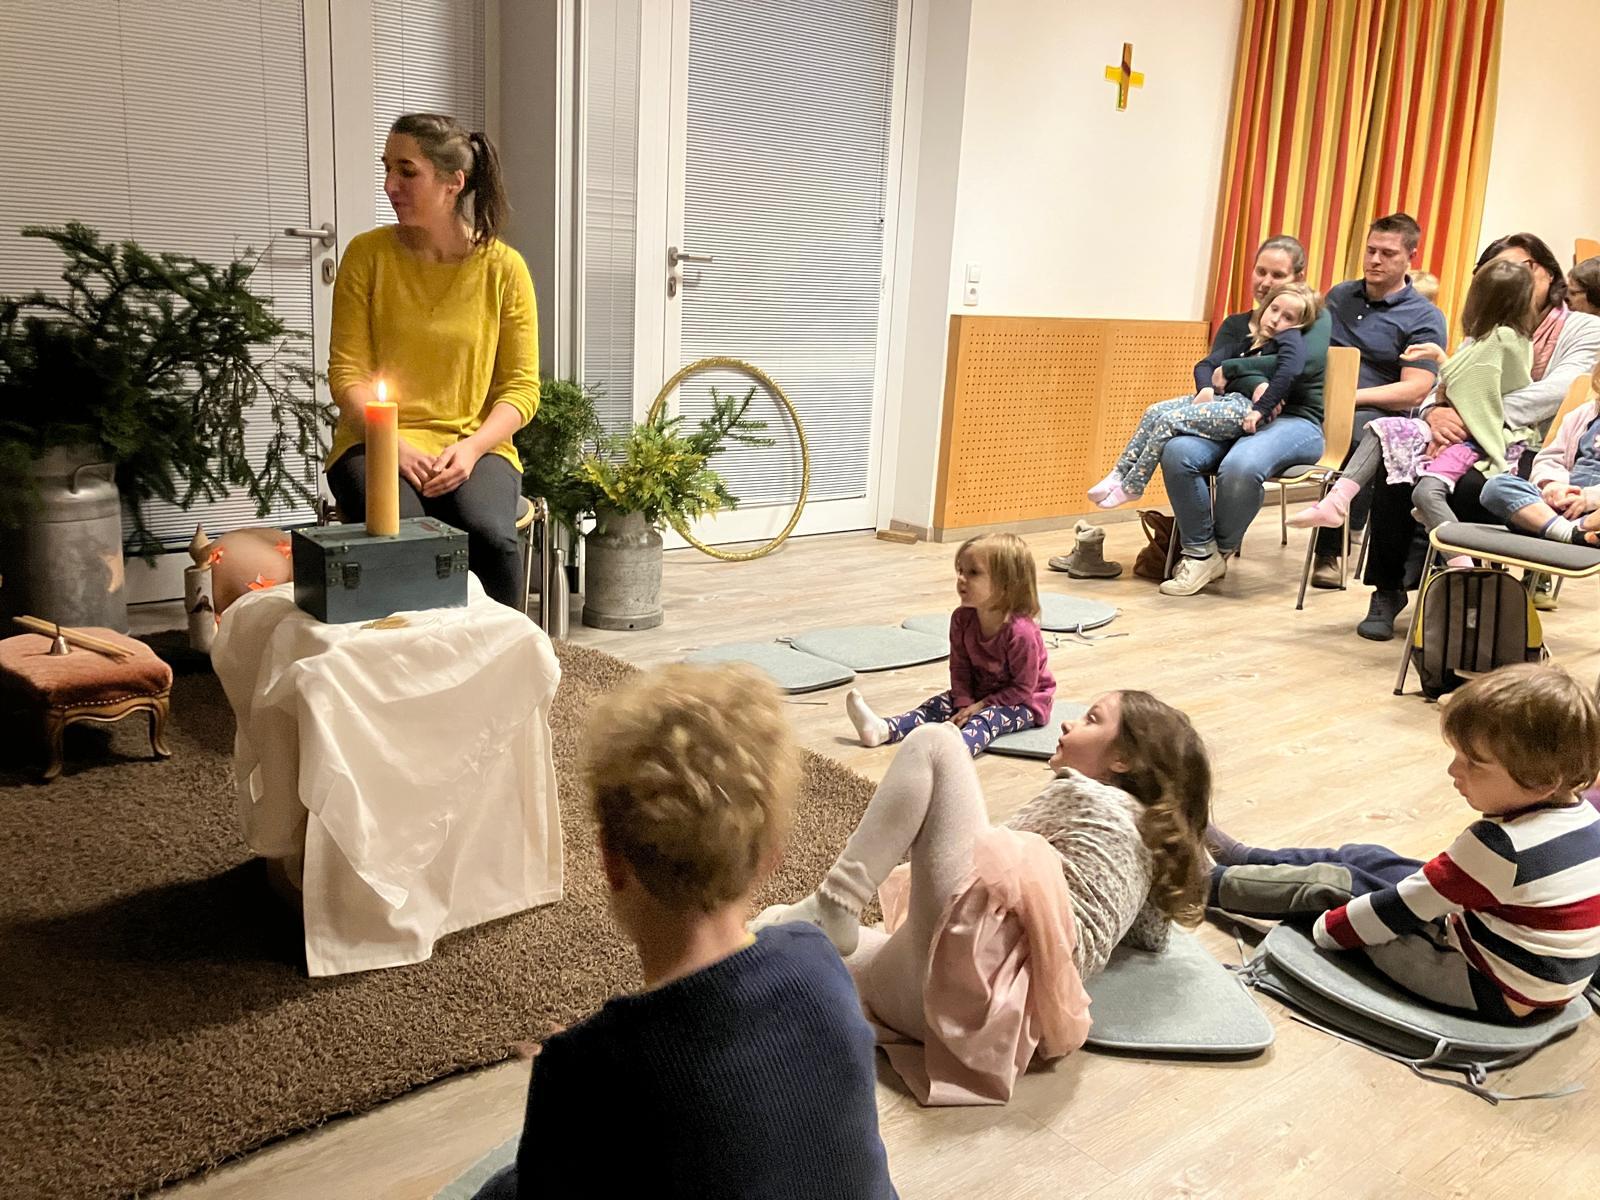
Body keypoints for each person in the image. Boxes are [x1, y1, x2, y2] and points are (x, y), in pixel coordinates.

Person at [473, 663, 897, 1199]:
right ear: (770, 858)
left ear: (609, 860)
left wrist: (579, 1063)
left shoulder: (583, 1070)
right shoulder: (819, 962)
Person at [758, 690, 1211, 1104]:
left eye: (1092, 719)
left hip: (967, 973)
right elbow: (1152, 937)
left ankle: (837, 899)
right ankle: (805, 928)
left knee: (936, 743)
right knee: (797, 937)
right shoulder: (1150, 846)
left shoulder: (1082, 793)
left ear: (1124, 760)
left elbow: (987, 855)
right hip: (985, 1030)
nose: (1069, 723)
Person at [1208, 664, 1600, 1023]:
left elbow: (1401, 908)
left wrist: (1329, 930)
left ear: (1543, 781)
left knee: (1334, 885)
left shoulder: (1499, 846)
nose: (1453, 770)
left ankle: (1202, 884)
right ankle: (1247, 858)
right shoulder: (1585, 818)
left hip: (1483, 984)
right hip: (1527, 975)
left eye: (1473, 763)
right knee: (1371, 859)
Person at [326, 112, 539, 611]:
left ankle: (500, 653)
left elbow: (521, 389)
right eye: (387, 168)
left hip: (474, 446)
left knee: (489, 535)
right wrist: (393, 447)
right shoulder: (367, 255)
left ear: (453, 183)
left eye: (407, 171)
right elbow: (347, 373)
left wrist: (471, 449)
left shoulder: (504, 269)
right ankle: (405, 654)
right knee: (402, 538)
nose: (390, 185)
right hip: (372, 443)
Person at [1354, 233, 1600, 640]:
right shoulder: (1493, 319)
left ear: (1547, 270)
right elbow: (1453, 377)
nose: (1513, 277)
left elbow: (1558, 391)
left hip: (1529, 448)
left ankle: (1459, 586)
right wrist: (1435, 412)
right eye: (1498, 270)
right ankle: (1388, 589)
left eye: (1521, 267)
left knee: (1469, 486)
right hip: (1466, 439)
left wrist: (1472, 418)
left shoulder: (1585, 326)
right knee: (1398, 465)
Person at [1289, 260, 1535, 540]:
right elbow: (1461, 382)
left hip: (1476, 436)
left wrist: (1447, 423)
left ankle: (1458, 555)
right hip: (1466, 427)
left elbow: (1474, 391)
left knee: (1425, 493)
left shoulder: (1500, 338)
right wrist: (1441, 364)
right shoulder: (1503, 338)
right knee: (1383, 430)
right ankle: (1336, 501)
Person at [1158, 235, 1333, 597]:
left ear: (1298, 278)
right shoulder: (1236, 324)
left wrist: (1237, 368)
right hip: (1236, 416)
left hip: (1296, 420)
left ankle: (1218, 552)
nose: (1266, 282)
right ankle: (1199, 550)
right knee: (1177, 451)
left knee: (1240, 464)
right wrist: (1255, 383)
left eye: (1278, 275)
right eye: (1260, 271)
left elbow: (1302, 366)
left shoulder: (1313, 317)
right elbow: (1213, 372)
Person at [1089, 282, 1325, 508]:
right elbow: (1206, 365)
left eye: (1288, 318)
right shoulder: (1250, 342)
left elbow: (1289, 371)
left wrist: (1260, 409)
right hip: (1224, 400)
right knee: (1154, 411)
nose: (1275, 319)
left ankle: (1133, 485)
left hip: (1243, 408)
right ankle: (1119, 474)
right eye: (1274, 309)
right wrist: (1206, 388)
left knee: (1169, 421)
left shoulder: (1289, 340)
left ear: (1299, 326)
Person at [1308, 214, 1449, 588]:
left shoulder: (1424, 316)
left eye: (1387, 253)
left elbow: (1414, 389)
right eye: (1370, 250)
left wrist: (1347, 398)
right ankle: (1214, 544)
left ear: (1410, 256)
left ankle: (1330, 552)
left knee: (1358, 438)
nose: (1374, 260)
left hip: (1375, 412)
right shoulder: (1340, 296)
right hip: (1317, 402)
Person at [847, 533, 1054, 758]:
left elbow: (1023, 688)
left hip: (1025, 702)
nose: (962, 579)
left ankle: (953, 756)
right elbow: (960, 668)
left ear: (1006, 584)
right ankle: (883, 729)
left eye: (973, 572)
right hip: (979, 693)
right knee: (937, 705)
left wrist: (980, 706)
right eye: (960, 571)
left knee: (987, 720)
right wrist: (963, 702)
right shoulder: (961, 619)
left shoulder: (1021, 632)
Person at [1479, 358, 1600, 544]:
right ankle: (1571, 533)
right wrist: (1554, 485)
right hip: (1564, 501)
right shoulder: (1583, 414)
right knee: (1496, 486)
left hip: (1595, 507)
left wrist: (1588, 499)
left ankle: (1556, 528)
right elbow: (1550, 459)